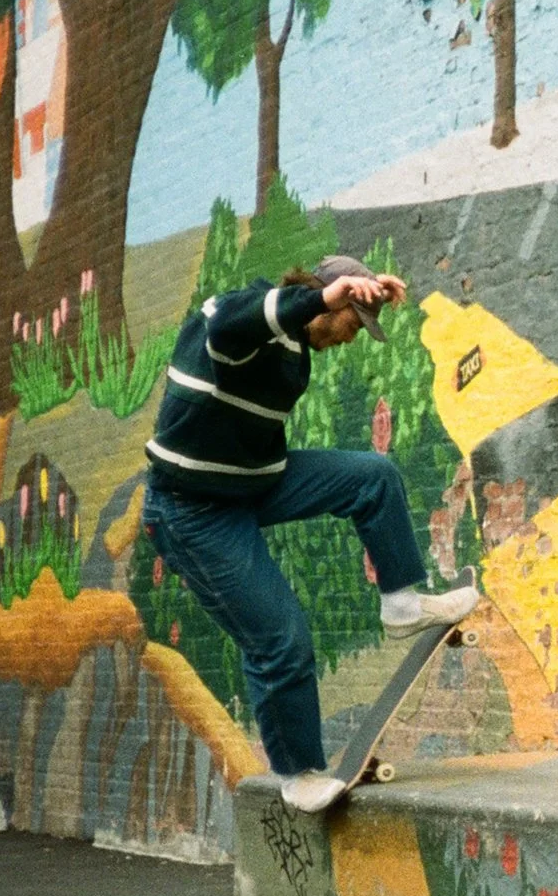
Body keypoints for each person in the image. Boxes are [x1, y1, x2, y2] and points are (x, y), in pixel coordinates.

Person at [142, 254, 477, 813]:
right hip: (190, 510)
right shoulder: (241, 326)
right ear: (330, 301)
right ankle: (298, 773)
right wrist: (319, 299)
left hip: (253, 482)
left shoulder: (297, 352)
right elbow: (230, 324)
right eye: (353, 322)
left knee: (373, 477)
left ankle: (401, 603)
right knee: (280, 635)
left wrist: (338, 301)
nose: (353, 338)